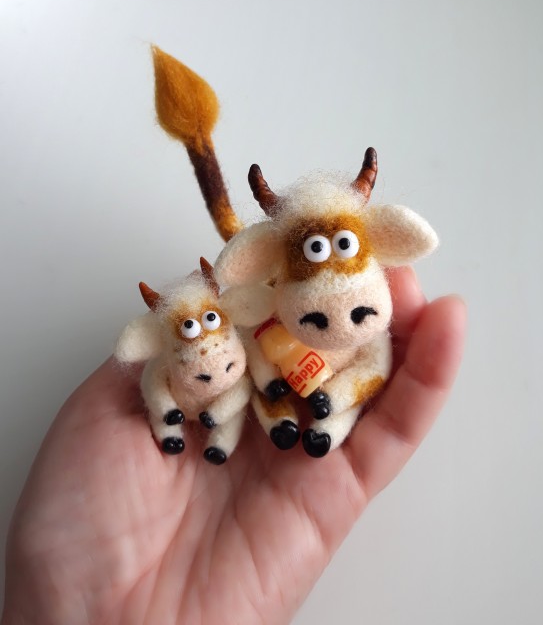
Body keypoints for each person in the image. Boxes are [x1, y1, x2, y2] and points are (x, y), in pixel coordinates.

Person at [1, 268, 465, 625]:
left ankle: (316, 426)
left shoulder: (347, 333)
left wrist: (332, 395)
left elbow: (255, 383)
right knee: (260, 397)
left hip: (315, 384)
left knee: (271, 400)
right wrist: (172, 417)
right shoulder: (246, 333)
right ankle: (261, 427)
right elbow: (198, 381)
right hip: (244, 391)